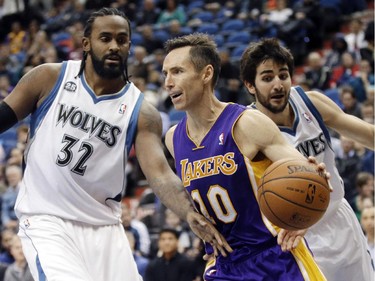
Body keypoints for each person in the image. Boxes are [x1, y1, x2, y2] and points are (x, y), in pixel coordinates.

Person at [0, 8, 231, 281]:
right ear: (86, 43)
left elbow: (159, 174)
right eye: (105, 38)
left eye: (122, 40)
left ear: (129, 47)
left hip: (105, 228)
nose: (114, 46)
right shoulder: (49, 78)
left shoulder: (141, 111)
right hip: (47, 220)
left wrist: (188, 213)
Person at [162, 33, 328, 280]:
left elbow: (307, 175)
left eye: (177, 72)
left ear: (206, 74)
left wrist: (311, 194)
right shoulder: (173, 139)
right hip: (224, 266)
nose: (168, 82)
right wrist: (190, 215)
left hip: (274, 258)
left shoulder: (245, 123)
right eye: (165, 73)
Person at [240, 37, 374, 281]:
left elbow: (369, 135)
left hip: (340, 220)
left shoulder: (310, 102)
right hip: (297, 236)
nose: (278, 84)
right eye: (267, 78)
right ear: (250, 85)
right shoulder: (246, 128)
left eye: (283, 75)